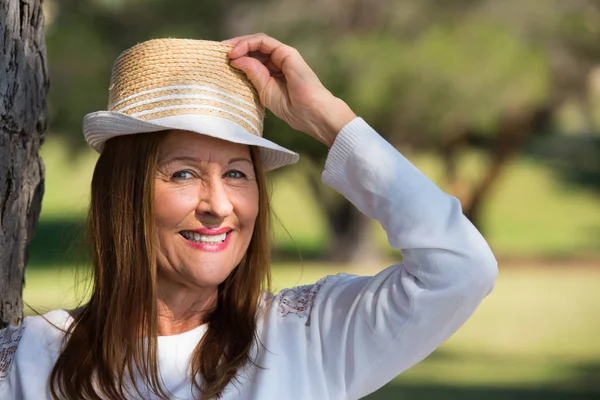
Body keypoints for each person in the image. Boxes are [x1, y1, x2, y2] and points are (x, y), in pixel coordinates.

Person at [0, 33, 497, 400]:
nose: (219, 205)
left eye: (237, 174)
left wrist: (326, 116)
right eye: (183, 174)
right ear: (121, 195)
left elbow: (460, 269)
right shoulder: (25, 363)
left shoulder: (310, 335)